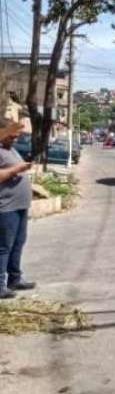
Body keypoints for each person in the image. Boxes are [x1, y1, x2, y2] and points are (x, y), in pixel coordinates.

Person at [0, 118, 36, 299]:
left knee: (18, 243)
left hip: (20, 205)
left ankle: (15, 278)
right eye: (12, 134)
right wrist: (16, 169)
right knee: (4, 246)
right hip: (6, 208)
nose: (15, 138)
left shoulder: (10, 149)